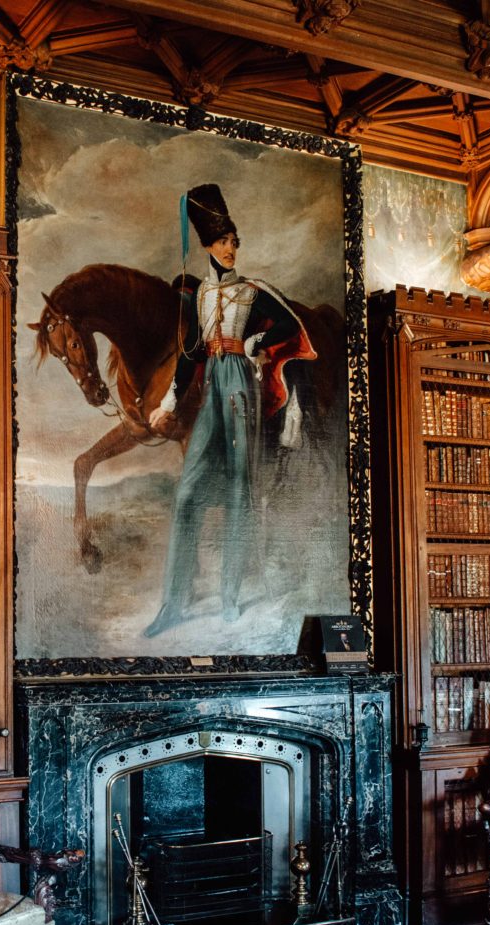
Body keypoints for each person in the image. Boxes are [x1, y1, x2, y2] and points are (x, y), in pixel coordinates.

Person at [144, 183, 316, 638]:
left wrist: (256, 341)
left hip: (240, 382)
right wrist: (168, 401)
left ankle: (229, 596)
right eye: (223, 241)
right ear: (207, 245)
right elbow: (192, 353)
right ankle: (172, 604)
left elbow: (288, 325)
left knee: (240, 487)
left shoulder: (251, 291)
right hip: (212, 386)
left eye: (235, 241)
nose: (231, 248)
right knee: (187, 494)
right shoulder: (200, 295)